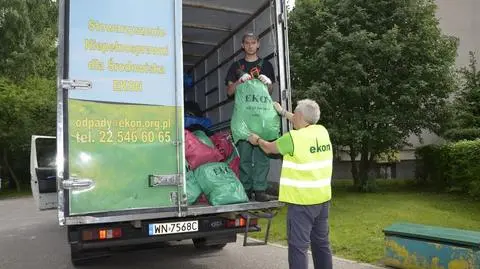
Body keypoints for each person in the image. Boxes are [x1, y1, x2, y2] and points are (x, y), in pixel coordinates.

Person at [248, 99, 333, 269]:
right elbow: (300, 118)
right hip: (322, 201)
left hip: (302, 204)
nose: (293, 116)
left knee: (298, 247)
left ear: (300, 115)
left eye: (295, 113)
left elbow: (270, 148)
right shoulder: (322, 131)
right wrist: (283, 112)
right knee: (321, 244)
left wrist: (257, 140)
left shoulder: (293, 138)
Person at [225, 32, 276, 202]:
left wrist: (268, 83)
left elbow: (270, 92)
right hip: (243, 120)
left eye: (253, 42)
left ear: (258, 44)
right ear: (242, 45)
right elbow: (229, 92)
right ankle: (246, 190)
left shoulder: (266, 65)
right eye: (247, 43)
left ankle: (260, 190)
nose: (250, 46)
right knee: (245, 157)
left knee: (262, 155)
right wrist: (240, 81)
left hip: (262, 120)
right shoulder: (236, 66)